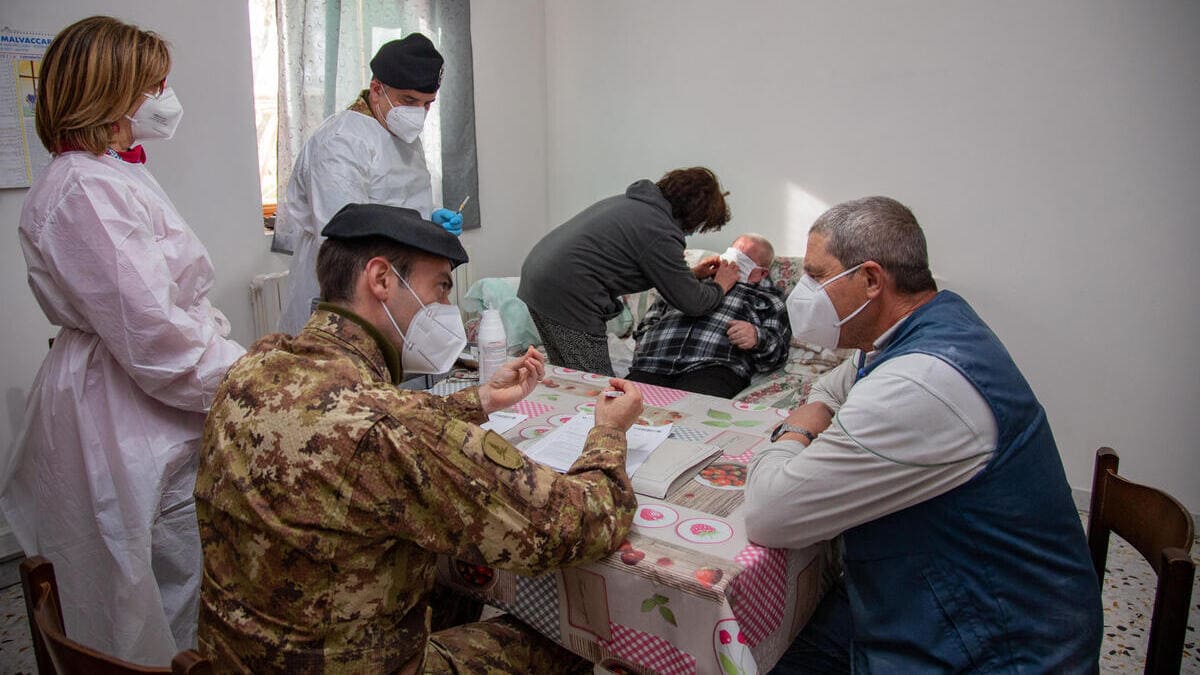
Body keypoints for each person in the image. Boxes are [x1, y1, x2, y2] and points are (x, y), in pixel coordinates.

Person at [195, 203, 643, 673]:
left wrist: (481, 400)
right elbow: (573, 526)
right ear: (382, 280)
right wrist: (608, 434)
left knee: (450, 583)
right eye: (442, 288)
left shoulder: (253, 369)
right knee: (566, 638)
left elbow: (348, 422)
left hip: (234, 658)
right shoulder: (393, 427)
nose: (448, 311)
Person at [744, 196, 1101, 672]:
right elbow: (834, 385)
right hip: (928, 597)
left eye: (816, 275)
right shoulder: (923, 325)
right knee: (764, 646)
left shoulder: (921, 384)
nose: (803, 292)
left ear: (871, 280)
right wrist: (818, 412)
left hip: (995, 647)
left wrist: (793, 430)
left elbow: (770, 514)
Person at [0, 16, 245, 665]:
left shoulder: (112, 173)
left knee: (169, 567)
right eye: (154, 84)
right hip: (125, 405)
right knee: (146, 583)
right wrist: (258, 379)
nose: (166, 96)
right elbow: (156, 336)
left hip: (137, 393)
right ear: (107, 93)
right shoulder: (83, 188)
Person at [275, 32, 466, 336]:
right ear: (376, 89)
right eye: (409, 101)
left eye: (427, 104)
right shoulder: (340, 143)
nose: (418, 114)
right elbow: (344, 233)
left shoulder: (402, 136)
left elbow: (395, 200)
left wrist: (429, 218)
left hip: (397, 283)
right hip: (350, 289)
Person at [518, 167, 740, 376]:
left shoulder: (635, 204)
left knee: (569, 377)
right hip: (567, 293)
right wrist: (721, 284)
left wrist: (691, 275)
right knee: (593, 386)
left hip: (538, 278)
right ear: (695, 215)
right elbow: (693, 303)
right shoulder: (659, 230)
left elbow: (651, 269)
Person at [626, 234, 791, 398]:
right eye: (732, 253)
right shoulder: (693, 282)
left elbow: (778, 354)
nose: (731, 262)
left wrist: (757, 337)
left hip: (713, 367)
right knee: (618, 408)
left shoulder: (769, 300)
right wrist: (646, 341)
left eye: (742, 259)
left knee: (689, 414)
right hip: (653, 362)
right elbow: (649, 319)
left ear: (761, 274)